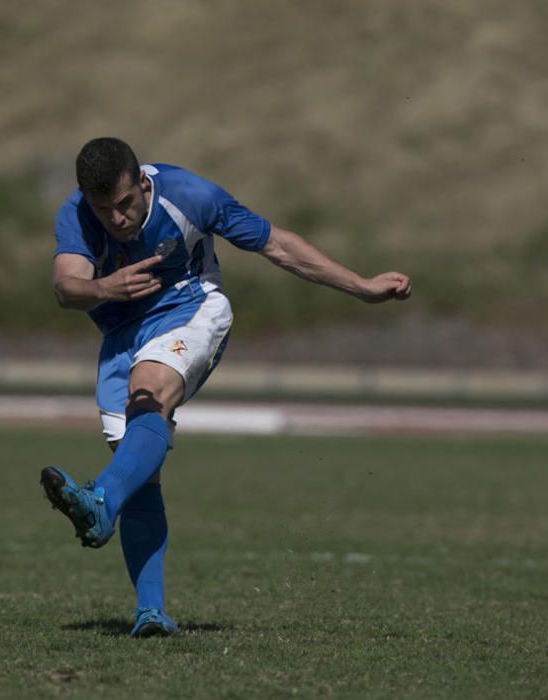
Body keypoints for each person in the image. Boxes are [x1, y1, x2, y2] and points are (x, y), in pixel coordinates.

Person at [41, 137, 411, 638]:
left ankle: (101, 503)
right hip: (120, 338)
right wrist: (106, 288)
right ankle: (150, 611)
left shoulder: (190, 196)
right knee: (138, 472)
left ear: (143, 185)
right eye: (105, 209)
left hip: (188, 312)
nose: (118, 219)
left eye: (126, 204)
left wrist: (362, 286)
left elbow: (278, 245)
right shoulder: (79, 212)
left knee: (147, 395)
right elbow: (67, 286)